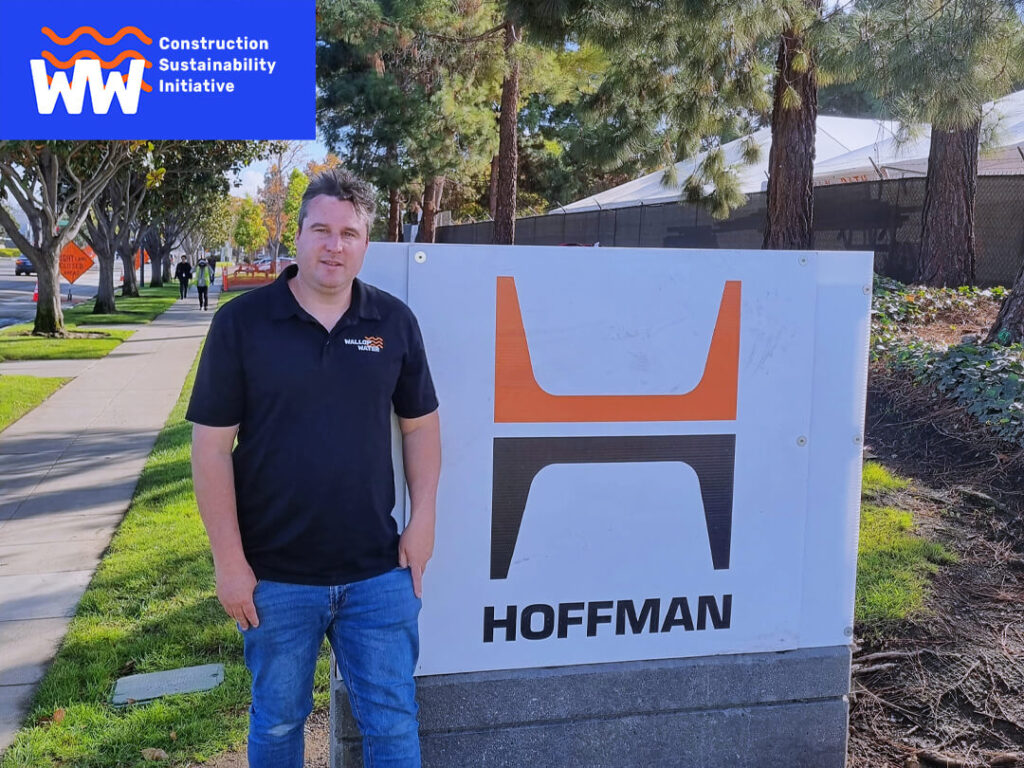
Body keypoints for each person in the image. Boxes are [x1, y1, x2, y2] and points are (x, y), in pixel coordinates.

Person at [187, 169, 441, 768]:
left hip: (378, 573)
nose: (335, 245)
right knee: (277, 727)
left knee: (394, 725)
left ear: (365, 244)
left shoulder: (394, 323)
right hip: (274, 578)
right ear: (296, 236)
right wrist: (229, 562)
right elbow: (209, 449)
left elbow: (421, 426)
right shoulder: (242, 324)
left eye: (349, 233)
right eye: (321, 230)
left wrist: (422, 520)